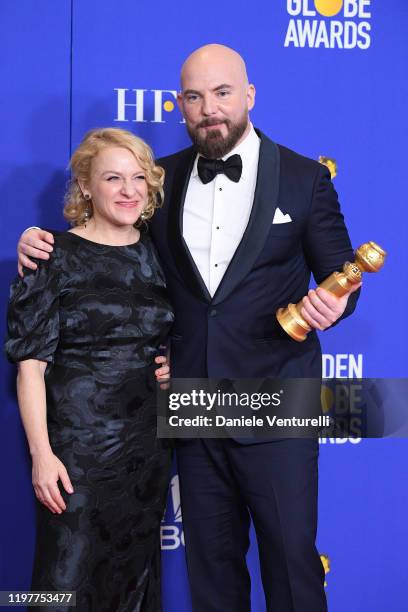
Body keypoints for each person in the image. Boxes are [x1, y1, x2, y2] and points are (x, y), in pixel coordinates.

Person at [17, 45, 361, 612]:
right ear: (180, 105)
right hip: (192, 408)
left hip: (276, 403)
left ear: (249, 96)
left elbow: (342, 275)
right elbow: (107, 245)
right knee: (212, 570)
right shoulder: (164, 180)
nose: (209, 109)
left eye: (222, 93)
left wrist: (336, 303)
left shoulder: (304, 179)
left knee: (293, 566)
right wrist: (38, 240)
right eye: (195, 97)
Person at [7, 128, 174, 612]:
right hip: (77, 454)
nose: (128, 190)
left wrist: (174, 365)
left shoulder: (160, 252)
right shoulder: (50, 255)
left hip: (148, 449)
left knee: (134, 581)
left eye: (139, 178)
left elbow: (186, 325)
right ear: (85, 185)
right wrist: (42, 455)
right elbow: (30, 368)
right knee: (66, 581)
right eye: (113, 178)